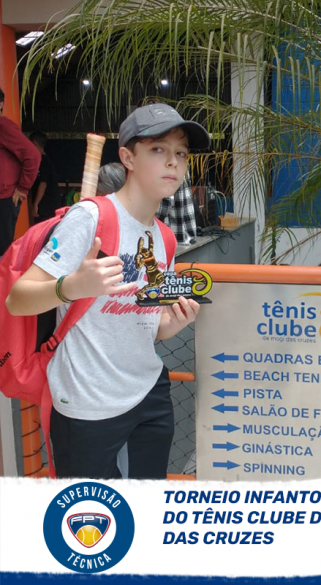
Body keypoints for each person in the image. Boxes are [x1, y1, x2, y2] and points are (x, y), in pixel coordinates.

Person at [6, 103, 211, 479]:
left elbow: (149, 325)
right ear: (128, 158)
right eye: (158, 149)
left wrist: (174, 322)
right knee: (92, 510)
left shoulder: (164, 238)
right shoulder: (90, 219)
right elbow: (17, 299)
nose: (173, 162)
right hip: (87, 399)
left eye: (181, 153)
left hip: (149, 393)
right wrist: (71, 287)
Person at [0, 87, 41, 255]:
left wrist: (23, 188)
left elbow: (33, 155)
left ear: (1, 105)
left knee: (2, 250)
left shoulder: (3, 126)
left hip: (4, 199)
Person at [29, 131, 62, 224]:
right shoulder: (41, 160)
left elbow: (43, 184)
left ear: (34, 143)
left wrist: (36, 204)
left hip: (47, 205)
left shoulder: (44, 161)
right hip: (45, 205)